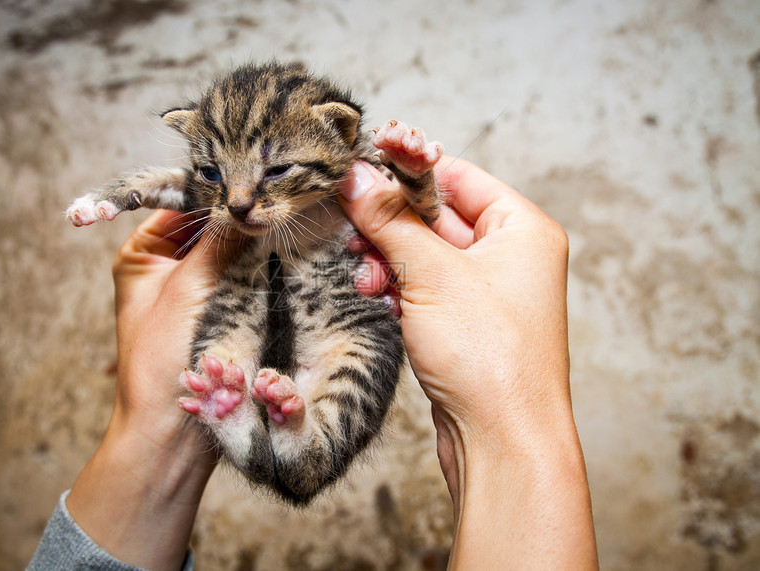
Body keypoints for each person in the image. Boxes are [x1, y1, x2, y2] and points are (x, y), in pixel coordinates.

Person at [29, 157, 598, 570]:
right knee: (239, 355)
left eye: (273, 170)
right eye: (224, 174)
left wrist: (415, 178)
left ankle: (279, 432)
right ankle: (250, 423)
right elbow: (185, 187)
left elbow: (421, 205)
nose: (243, 199)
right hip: (277, 328)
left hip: (331, 333)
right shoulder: (240, 199)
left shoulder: (347, 176)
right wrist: (124, 193)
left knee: (350, 364)